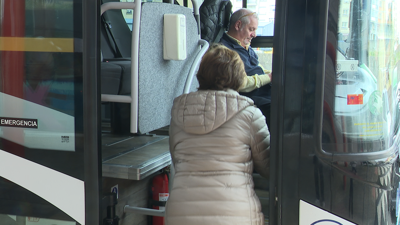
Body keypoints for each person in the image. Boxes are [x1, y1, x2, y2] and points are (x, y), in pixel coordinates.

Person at [165, 44, 270, 225]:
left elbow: (177, 161)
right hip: (234, 213)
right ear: (238, 76)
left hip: (182, 213)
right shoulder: (250, 114)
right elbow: (269, 167)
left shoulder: (179, 113)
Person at [220, 8, 272, 127]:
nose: (254, 34)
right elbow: (241, 83)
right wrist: (269, 77)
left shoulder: (246, 46)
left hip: (264, 92)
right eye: (251, 29)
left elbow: (259, 70)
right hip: (251, 97)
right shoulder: (224, 50)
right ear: (238, 25)